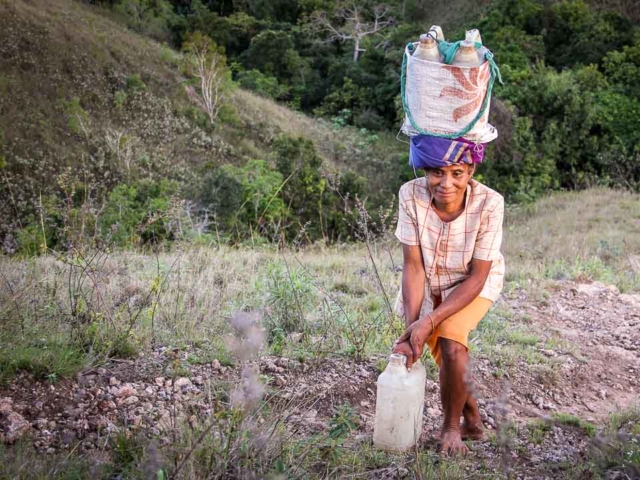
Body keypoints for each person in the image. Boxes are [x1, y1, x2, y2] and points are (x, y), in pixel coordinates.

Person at [392, 134, 505, 456]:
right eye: (436, 172)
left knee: (452, 341)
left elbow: (479, 274)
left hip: (474, 282)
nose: (446, 183)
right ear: (424, 170)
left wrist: (431, 320)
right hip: (429, 279)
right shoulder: (409, 195)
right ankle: (472, 420)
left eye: (457, 173)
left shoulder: (490, 203)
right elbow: (413, 267)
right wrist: (411, 328)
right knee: (443, 355)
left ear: (470, 173)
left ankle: (451, 427)